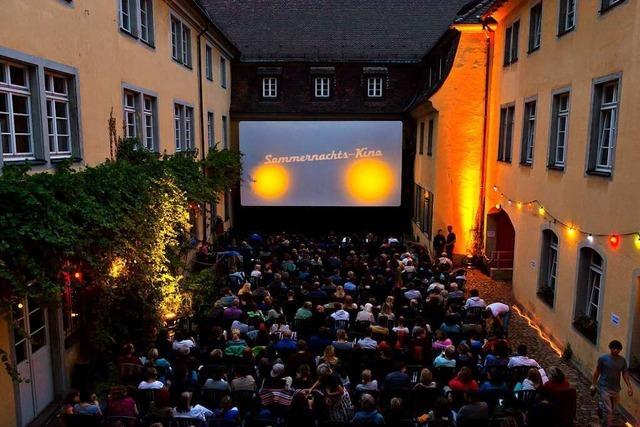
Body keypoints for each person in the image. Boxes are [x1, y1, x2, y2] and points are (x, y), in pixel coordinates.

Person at [592, 340, 633, 427]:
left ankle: (600, 405)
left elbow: (625, 374)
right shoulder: (603, 359)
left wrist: (629, 387)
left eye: (618, 349)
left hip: (615, 388)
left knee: (614, 409)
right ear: (610, 348)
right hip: (604, 386)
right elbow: (597, 372)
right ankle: (608, 424)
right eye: (614, 348)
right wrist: (594, 384)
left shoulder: (622, 361)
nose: (616, 350)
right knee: (609, 410)